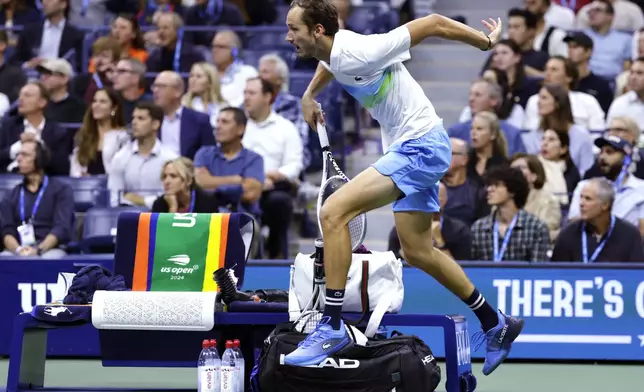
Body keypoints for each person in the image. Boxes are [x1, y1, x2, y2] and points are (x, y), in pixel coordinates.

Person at [283, 0, 523, 376]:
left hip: (420, 147)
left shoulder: (360, 50)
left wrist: (483, 43)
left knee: (334, 211)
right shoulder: (336, 51)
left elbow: (432, 22)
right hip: (413, 146)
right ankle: (495, 322)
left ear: (317, 30)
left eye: (293, 28)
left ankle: (330, 324)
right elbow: (329, 62)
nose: (287, 36)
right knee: (417, 250)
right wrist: (309, 94)